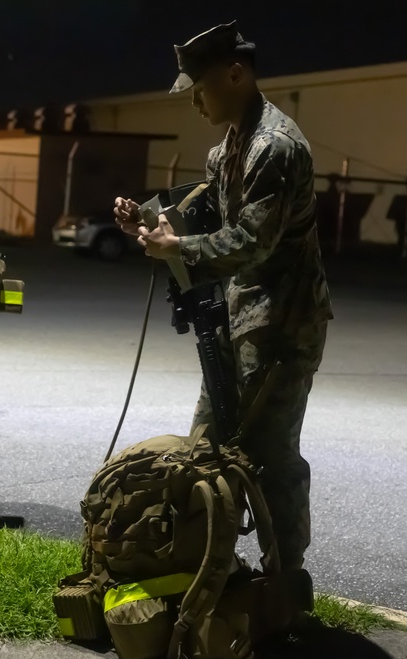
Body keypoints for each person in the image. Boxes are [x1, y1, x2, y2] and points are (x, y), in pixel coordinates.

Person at [114, 21, 333, 574]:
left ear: (236, 74)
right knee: (208, 445)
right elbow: (209, 215)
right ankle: (213, 570)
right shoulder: (227, 150)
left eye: (199, 88)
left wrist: (178, 246)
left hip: (282, 324)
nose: (194, 101)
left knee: (269, 454)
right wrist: (152, 222)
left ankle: (285, 581)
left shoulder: (274, 147)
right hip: (239, 319)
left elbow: (252, 242)